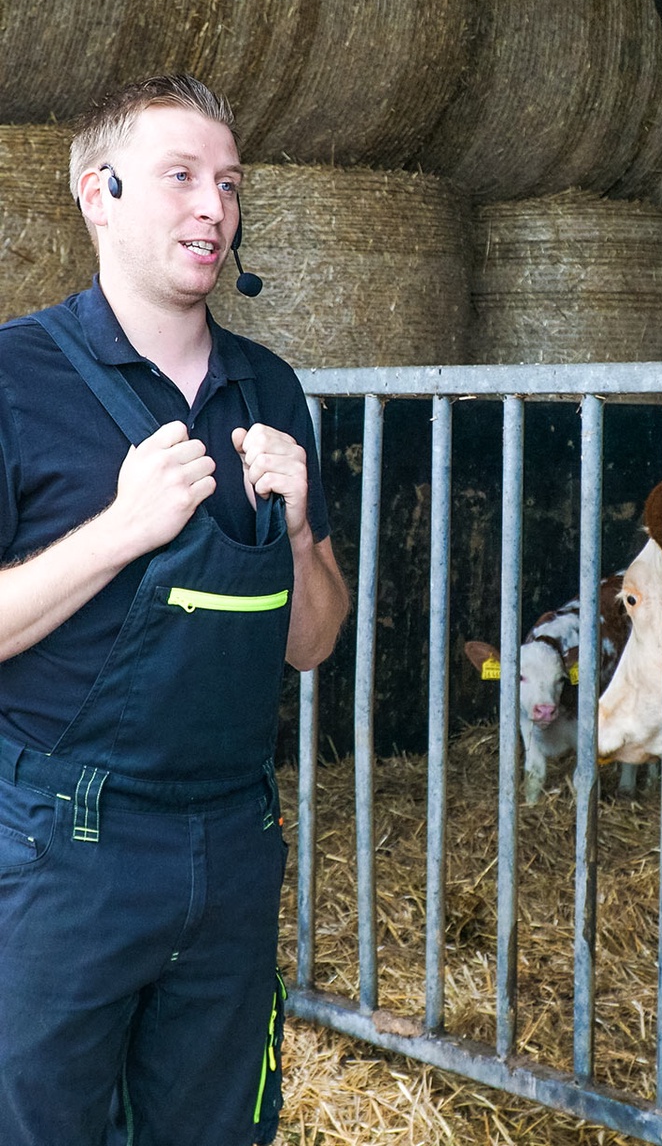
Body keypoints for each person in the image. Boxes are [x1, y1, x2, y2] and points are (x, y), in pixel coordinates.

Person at [0, 74, 350, 1145]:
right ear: (96, 191)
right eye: (181, 177)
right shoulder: (15, 376)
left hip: (233, 837)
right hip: (67, 843)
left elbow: (314, 639)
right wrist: (122, 524)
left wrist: (295, 534)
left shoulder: (270, 388)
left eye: (230, 183)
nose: (213, 206)